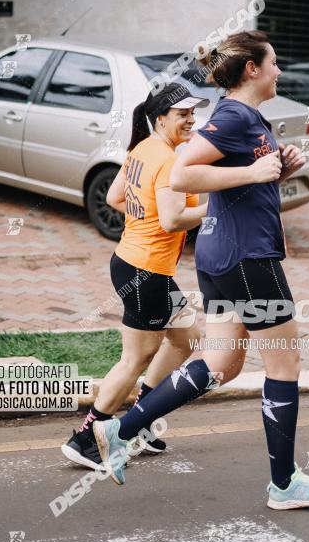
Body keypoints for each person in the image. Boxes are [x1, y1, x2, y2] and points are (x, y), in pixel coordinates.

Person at [93, 31, 309, 510]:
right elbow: (184, 173)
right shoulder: (231, 115)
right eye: (274, 63)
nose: (279, 71)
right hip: (248, 259)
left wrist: (278, 171)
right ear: (252, 69)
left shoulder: (246, 117)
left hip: (226, 256)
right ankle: (284, 484)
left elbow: (232, 180)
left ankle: (119, 429)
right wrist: (254, 172)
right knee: (284, 364)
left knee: (222, 364)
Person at [62, 83, 209, 470]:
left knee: (187, 338)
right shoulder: (166, 159)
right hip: (145, 270)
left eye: (193, 113)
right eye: (183, 113)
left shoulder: (143, 148)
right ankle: (85, 439)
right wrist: (216, 211)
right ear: (161, 118)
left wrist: (143, 215)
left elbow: (114, 198)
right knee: (135, 357)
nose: (191, 119)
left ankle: (141, 420)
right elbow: (173, 218)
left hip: (138, 263)